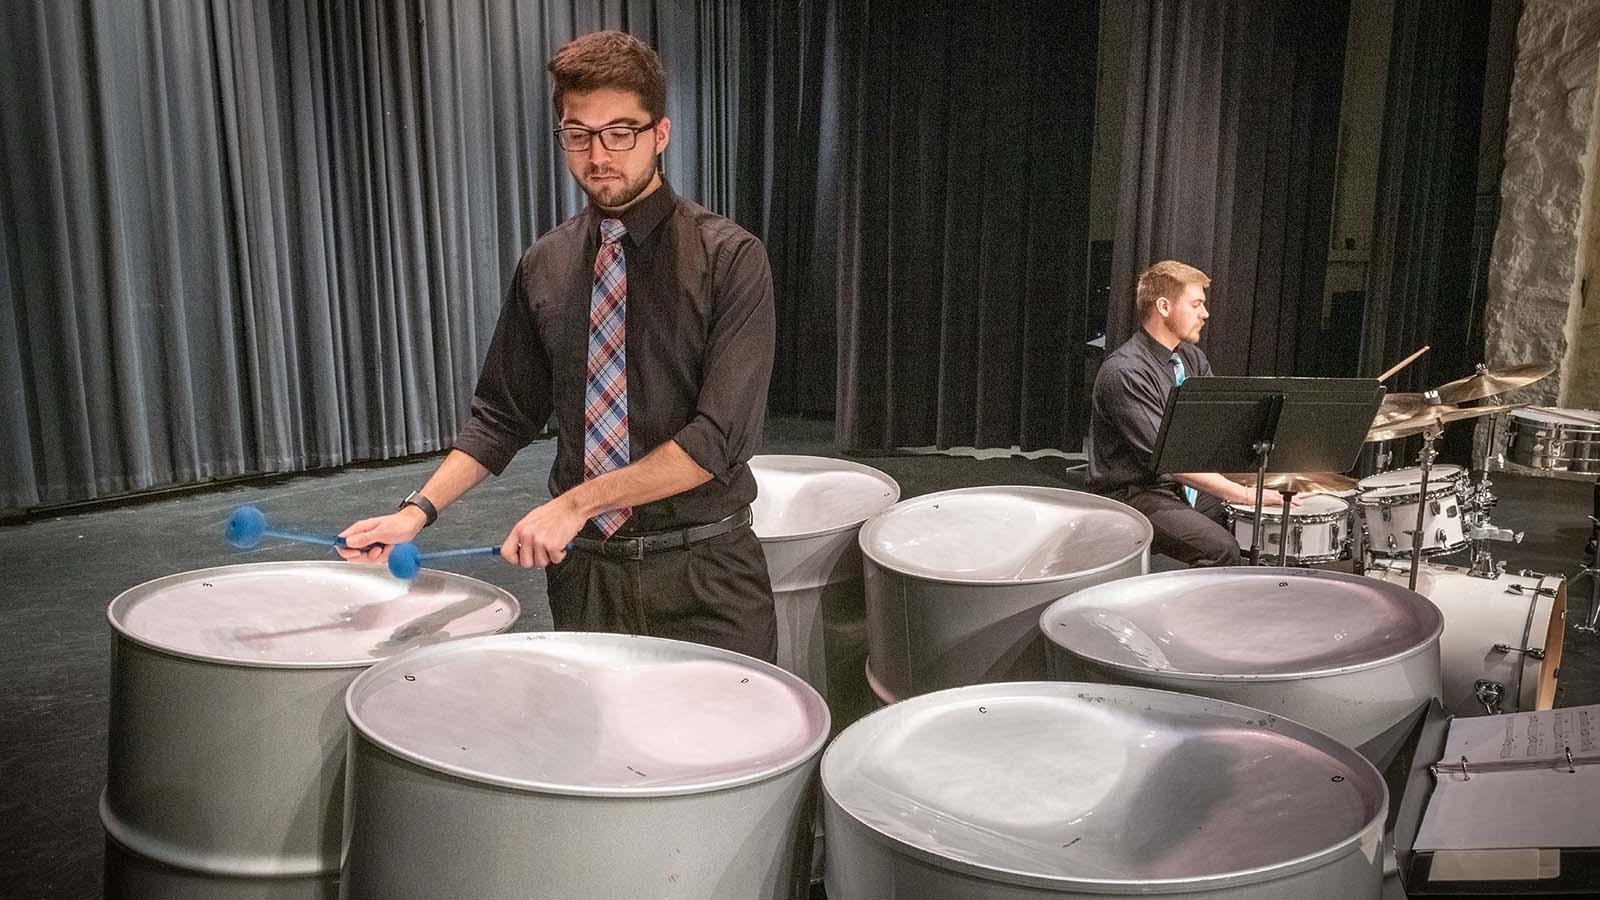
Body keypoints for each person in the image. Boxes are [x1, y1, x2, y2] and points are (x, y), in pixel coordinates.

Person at [337, 30, 778, 661]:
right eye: (579, 134)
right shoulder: (546, 263)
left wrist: (574, 503)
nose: (599, 155)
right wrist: (415, 512)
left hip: (704, 573)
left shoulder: (730, 258)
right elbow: (502, 414)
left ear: (661, 133)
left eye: (621, 132)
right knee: (597, 755)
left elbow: (718, 442)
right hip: (585, 575)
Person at [1088, 260, 1261, 567]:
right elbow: (1168, 459)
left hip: (1178, 486)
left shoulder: (1191, 358)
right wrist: (1243, 494)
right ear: (1164, 306)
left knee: (1254, 524)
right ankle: (1195, 613)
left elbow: (1216, 424)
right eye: (1196, 304)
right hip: (1136, 493)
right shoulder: (1125, 371)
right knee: (1222, 548)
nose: (1205, 314)